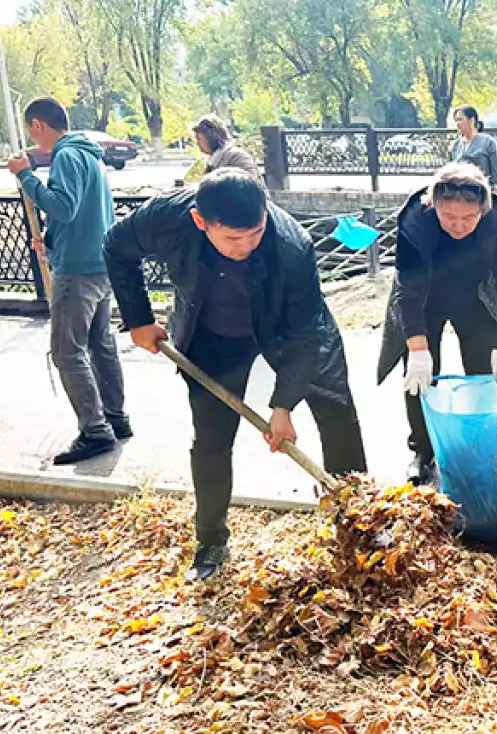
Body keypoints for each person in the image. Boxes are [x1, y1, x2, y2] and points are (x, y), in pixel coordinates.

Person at [105, 170, 368, 581]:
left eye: (255, 233)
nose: (246, 246)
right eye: (232, 239)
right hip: (215, 336)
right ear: (200, 222)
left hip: (289, 330)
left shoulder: (290, 244)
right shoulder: (169, 217)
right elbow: (116, 247)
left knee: (337, 416)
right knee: (210, 437)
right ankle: (211, 539)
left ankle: (358, 524)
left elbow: (304, 331)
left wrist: (283, 405)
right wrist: (138, 319)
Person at [377, 163, 497, 486]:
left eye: (468, 218)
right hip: (425, 298)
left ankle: (481, 441)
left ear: (482, 209)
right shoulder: (416, 219)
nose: (458, 226)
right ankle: (423, 451)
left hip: (475, 296)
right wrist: (416, 347)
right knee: (421, 376)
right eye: (449, 217)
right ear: (434, 206)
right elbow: (408, 288)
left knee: (483, 372)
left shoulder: (496, 218)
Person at [6, 97, 130, 465]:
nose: (32, 137)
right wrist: (52, 236)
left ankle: (95, 432)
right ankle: (115, 418)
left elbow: (63, 205)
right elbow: (76, 213)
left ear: (39, 125)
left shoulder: (65, 156)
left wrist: (25, 175)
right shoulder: (89, 155)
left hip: (77, 271)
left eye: (31, 130)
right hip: (99, 261)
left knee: (67, 351)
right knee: (100, 344)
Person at [449, 106, 497, 193]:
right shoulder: (455, 145)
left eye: (460, 119)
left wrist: (496, 187)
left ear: (471, 120)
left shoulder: (488, 142)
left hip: (482, 189)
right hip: (460, 190)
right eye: (456, 120)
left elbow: (496, 168)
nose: (457, 123)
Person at [192, 115, 262, 181]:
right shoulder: (210, 160)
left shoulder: (236, 156)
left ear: (210, 137)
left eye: (198, 139)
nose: (197, 143)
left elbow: (251, 185)